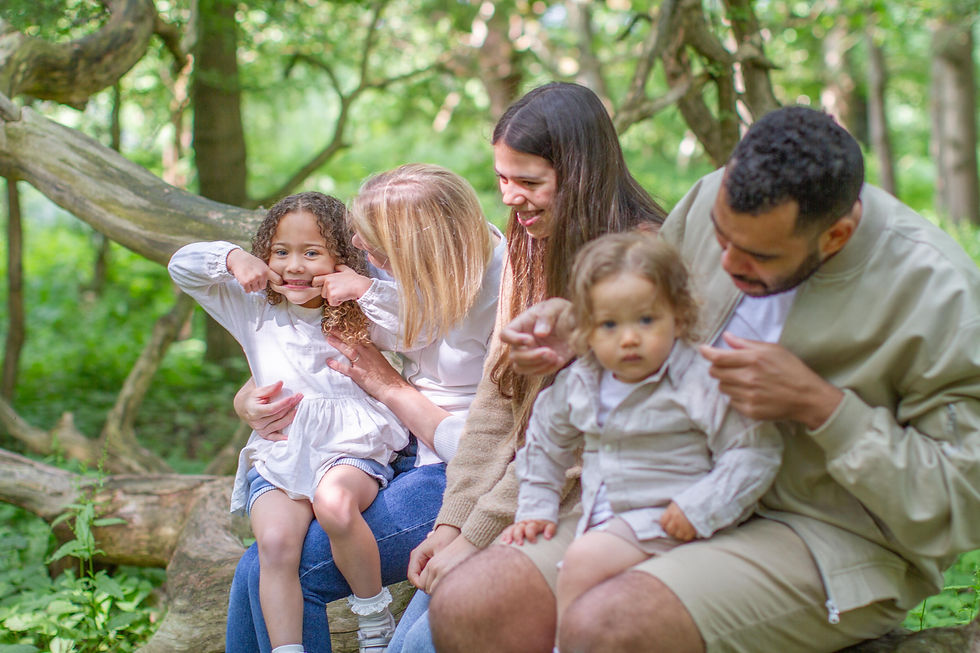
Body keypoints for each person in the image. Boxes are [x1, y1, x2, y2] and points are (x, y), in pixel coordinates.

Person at [434, 105, 980, 653]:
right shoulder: (711, 197)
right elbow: (654, 314)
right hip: (667, 487)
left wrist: (824, 408)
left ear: (835, 236)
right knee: (472, 604)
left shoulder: (939, 294)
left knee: (613, 624)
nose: (729, 262)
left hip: (827, 536)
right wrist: (578, 331)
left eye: (759, 256)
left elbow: (961, 504)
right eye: (722, 238)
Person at [388, 81, 668, 653]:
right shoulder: (529, 245)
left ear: (581, 172)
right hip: (519, 492)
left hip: (598, 498)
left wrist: (478, 537)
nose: (511, 198)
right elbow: (498, 399)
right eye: (502, 180)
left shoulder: (636, 258)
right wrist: (452, 524)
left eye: (530, 182)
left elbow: (573, 440)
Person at [223, 166, 505, 653]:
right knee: (265, 558)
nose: (359, 251)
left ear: (423, 246)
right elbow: (309, 341)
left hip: (458, 471)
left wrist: (387, 384)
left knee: (285, 568)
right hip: (385, 442)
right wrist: (249, 397)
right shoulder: (394, 272)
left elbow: (494, 444)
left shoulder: (507, 294)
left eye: (374, 249)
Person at [501, 231, 782, 631]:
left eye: (647, 320)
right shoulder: (582, 381)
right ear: (586, 331)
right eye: (610, 324)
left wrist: (697, 508)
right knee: (539, 573)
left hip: (669, 516)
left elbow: (752, 452)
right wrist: (536, 506)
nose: (630, 338)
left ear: (679, 317)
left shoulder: (698, 380)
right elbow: (546, 445)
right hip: (605, 515)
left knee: (584, 562)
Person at [169, 192, 410, 653]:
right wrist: (234, 257)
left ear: (342, 258)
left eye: (312, 253)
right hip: (281, 451)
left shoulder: (360, 314)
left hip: (351, 449)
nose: (295, 266)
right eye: (281, 252)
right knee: (274, 544)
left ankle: (374, 615)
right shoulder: (255, 309)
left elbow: (415, 321)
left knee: (334, 504)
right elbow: (181, 266)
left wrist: (361, 287)